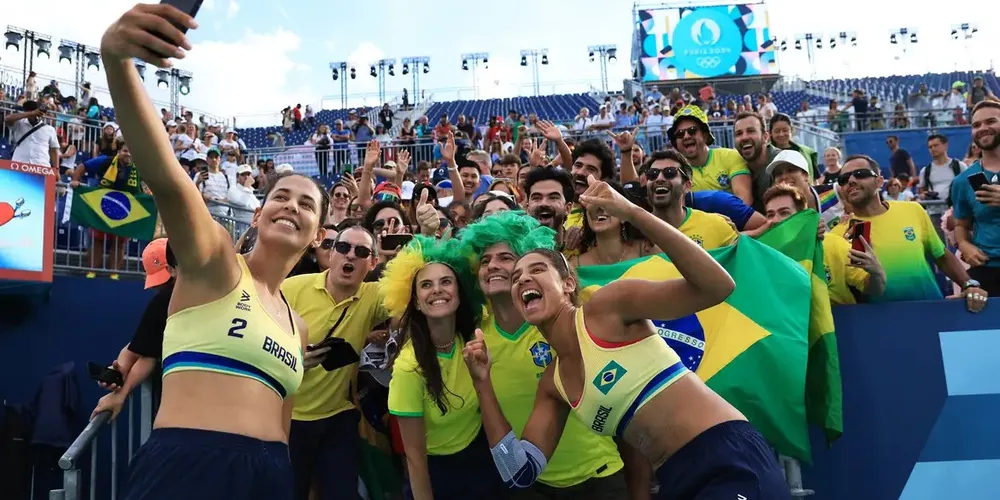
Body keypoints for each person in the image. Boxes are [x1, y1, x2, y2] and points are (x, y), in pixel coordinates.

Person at [100, 5, 329, 498]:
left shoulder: (298, 324)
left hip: (269, 474)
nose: (290, 206)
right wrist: (117, 59)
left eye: (306, 203)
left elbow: (283, 425)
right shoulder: (216, 264)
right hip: (189, 468)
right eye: (279, 197)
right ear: (261, 213)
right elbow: (167, 178)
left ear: (317, 233)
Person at [462, 175, 789, 499]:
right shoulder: (554, 384)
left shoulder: (607, 307)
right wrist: (481, 383)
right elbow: (519, 473)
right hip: (675, 477)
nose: (522, 279)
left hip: (725, 455)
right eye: (516, 277)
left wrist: (633, 213)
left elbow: (718, 286)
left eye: (536, 270)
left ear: (568, 284)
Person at [460, 211, 637, 499]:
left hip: (600, 476)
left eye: (506, 258)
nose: (493, 265)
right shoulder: (475, 338)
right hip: (531, 483)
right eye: (484, 260)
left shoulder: (564, 321)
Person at [381, 236, 508, 499]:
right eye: (426, 285)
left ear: (460, 294)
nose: (437, 290)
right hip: (438, 473)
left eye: (446, 281)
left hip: (483, 460)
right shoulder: (409, 367)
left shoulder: (475, 337)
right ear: (416, 301)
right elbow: (415, 459)